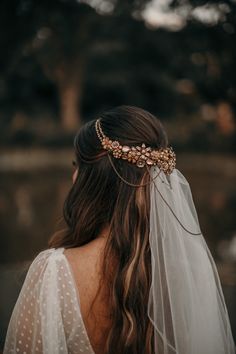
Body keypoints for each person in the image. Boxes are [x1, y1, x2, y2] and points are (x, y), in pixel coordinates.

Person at [3, 106, 235, 354]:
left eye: (77, 165)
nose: (73, 176)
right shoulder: (187, 276)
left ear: (95, 178)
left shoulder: (54, 271)